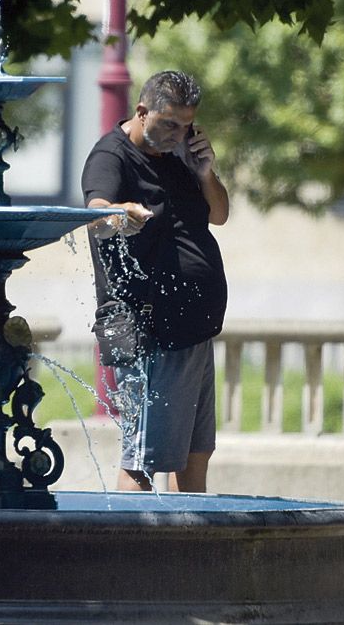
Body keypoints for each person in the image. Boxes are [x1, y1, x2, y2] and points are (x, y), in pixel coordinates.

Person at [81, 70, 229, 493]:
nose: (177, 134)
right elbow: (97, 214)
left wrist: (205, 172)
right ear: (142, 111)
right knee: (142, 462)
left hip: (195, 329)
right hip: (152, 330)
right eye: (169, 124)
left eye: (186, 125)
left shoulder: (182, 157)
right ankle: (134, 557)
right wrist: (121, 212)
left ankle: (189, 554)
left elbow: (219, 215)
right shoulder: (112, 156)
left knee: (194, 457)